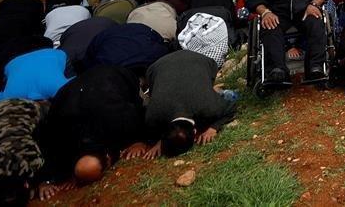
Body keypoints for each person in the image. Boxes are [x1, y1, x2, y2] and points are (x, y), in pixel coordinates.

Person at [35, 65, 152, 199]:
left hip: (115, 74)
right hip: (71, 93)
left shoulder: (119, 118)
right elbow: (43, 145)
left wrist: (139, 141)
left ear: (108, 159)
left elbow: (142, 113)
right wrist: (44, 181)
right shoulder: (59, 136)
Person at [244, 0, 333, 84]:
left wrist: (315, 3)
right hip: (277, 11)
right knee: (270, 27)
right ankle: (276, 69)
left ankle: (316, 66)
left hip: (305, 8)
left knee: (316, 23)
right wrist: (265, 12)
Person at [144, 50, 237, 157]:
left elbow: (231, 107)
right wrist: (162, 141)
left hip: (201, 61)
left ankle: (207, 87)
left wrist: (213, 128)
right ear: (195, 131)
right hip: (158, 66)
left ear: (195, 131)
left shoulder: (208, 105)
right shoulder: (153, 114)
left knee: (204, 90)